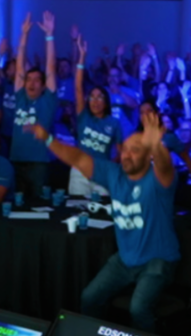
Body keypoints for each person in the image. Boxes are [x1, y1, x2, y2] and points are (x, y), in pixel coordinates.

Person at [27, 111, 179, 332]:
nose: (126, 155)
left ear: (149, 156)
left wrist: (156, 145)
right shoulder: (113, 173)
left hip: (158, 260)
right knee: (89, 297)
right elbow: (78, 159)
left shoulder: (158, 179)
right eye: (124, 149)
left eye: (135, 150)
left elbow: (165, 167)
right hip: (126, 260)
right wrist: (49, 139)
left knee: (138, 309)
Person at [10, 12, 58, 198]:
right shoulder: (21, 97)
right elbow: (20, 67)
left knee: (40, 207)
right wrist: (24, 35)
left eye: (37, 80)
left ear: (44, 85)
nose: (31, 83)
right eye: (28, 80)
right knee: (17, 207)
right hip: (17, 159)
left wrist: (49, 35)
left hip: (40, 163)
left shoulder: (48, 100)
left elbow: (51, 67)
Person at [70, 34, 122, 197]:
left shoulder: (114, 123)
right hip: (79, 170)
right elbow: (78, 88)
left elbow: (121, 152)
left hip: (102, 172)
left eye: (100, 97)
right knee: (77, 209)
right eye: (92, 97)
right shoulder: (83, 117)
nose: (95, 101)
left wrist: (110, 167)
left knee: (102, 214)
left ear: (106, 102)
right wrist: (82, 57)